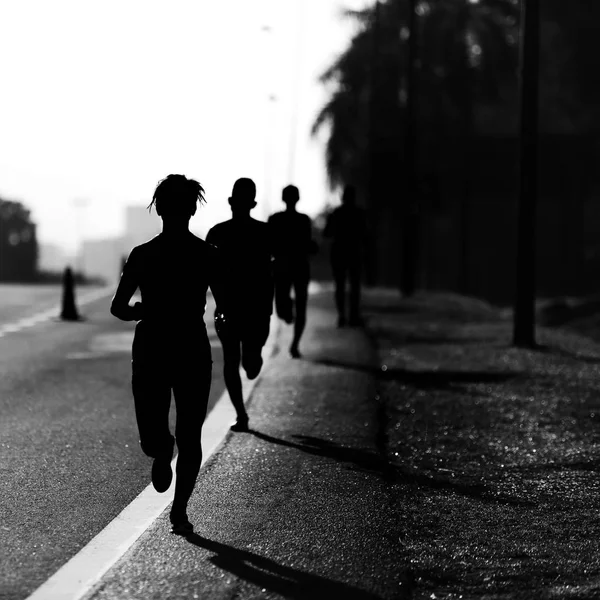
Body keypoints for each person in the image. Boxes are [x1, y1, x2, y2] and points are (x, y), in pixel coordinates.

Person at [111, 174, 221, 536]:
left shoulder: (145, 255)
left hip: (155, 347)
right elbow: (225, 303)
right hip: (188, 347)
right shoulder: (205, 254)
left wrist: (140, 311)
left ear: (158, 208)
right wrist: (224, 319)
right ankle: (178, 503)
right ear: (192, 209)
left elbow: (118, 308)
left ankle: (177, 504)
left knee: (174, 435)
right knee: (187, 437)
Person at [206, 178, 273, 432]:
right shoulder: (222, 233)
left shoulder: (220, 233)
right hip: (240, 309)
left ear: (232, 201)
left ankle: (241, 414)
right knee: (235, 361)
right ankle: (241, 415)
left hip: (246, 308)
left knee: (244, 363)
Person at [268, 185, 316, 358]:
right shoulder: (303, 220)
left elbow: (269, 243)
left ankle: (294, 345)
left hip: (286, 267)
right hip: (296, 267)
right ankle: (295, 343)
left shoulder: (275, 219)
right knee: (294, 308)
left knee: (288, 307)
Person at [324, 184, 366, 327]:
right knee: (354, 286)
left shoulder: (336, 213)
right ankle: (353, 316)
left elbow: (327, 233)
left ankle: (342, 315)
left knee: (340, 286)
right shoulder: (359, 213)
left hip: (339, 252)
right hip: (353, 252)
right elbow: (366, 234)